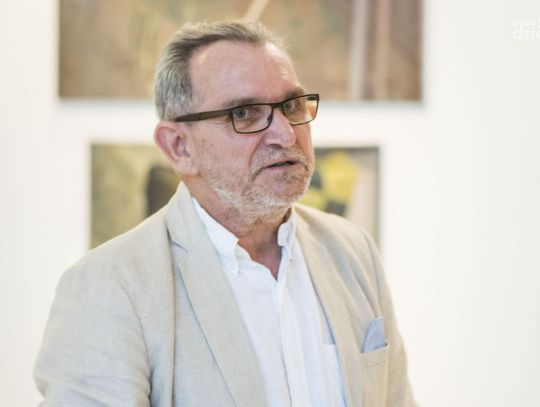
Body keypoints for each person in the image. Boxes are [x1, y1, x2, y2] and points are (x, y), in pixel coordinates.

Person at [34, 21, 417, 407]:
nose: (286, 134)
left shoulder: (352, 251)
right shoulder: (109, 287)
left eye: (291, 106)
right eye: (244, 113)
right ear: (179, 147)